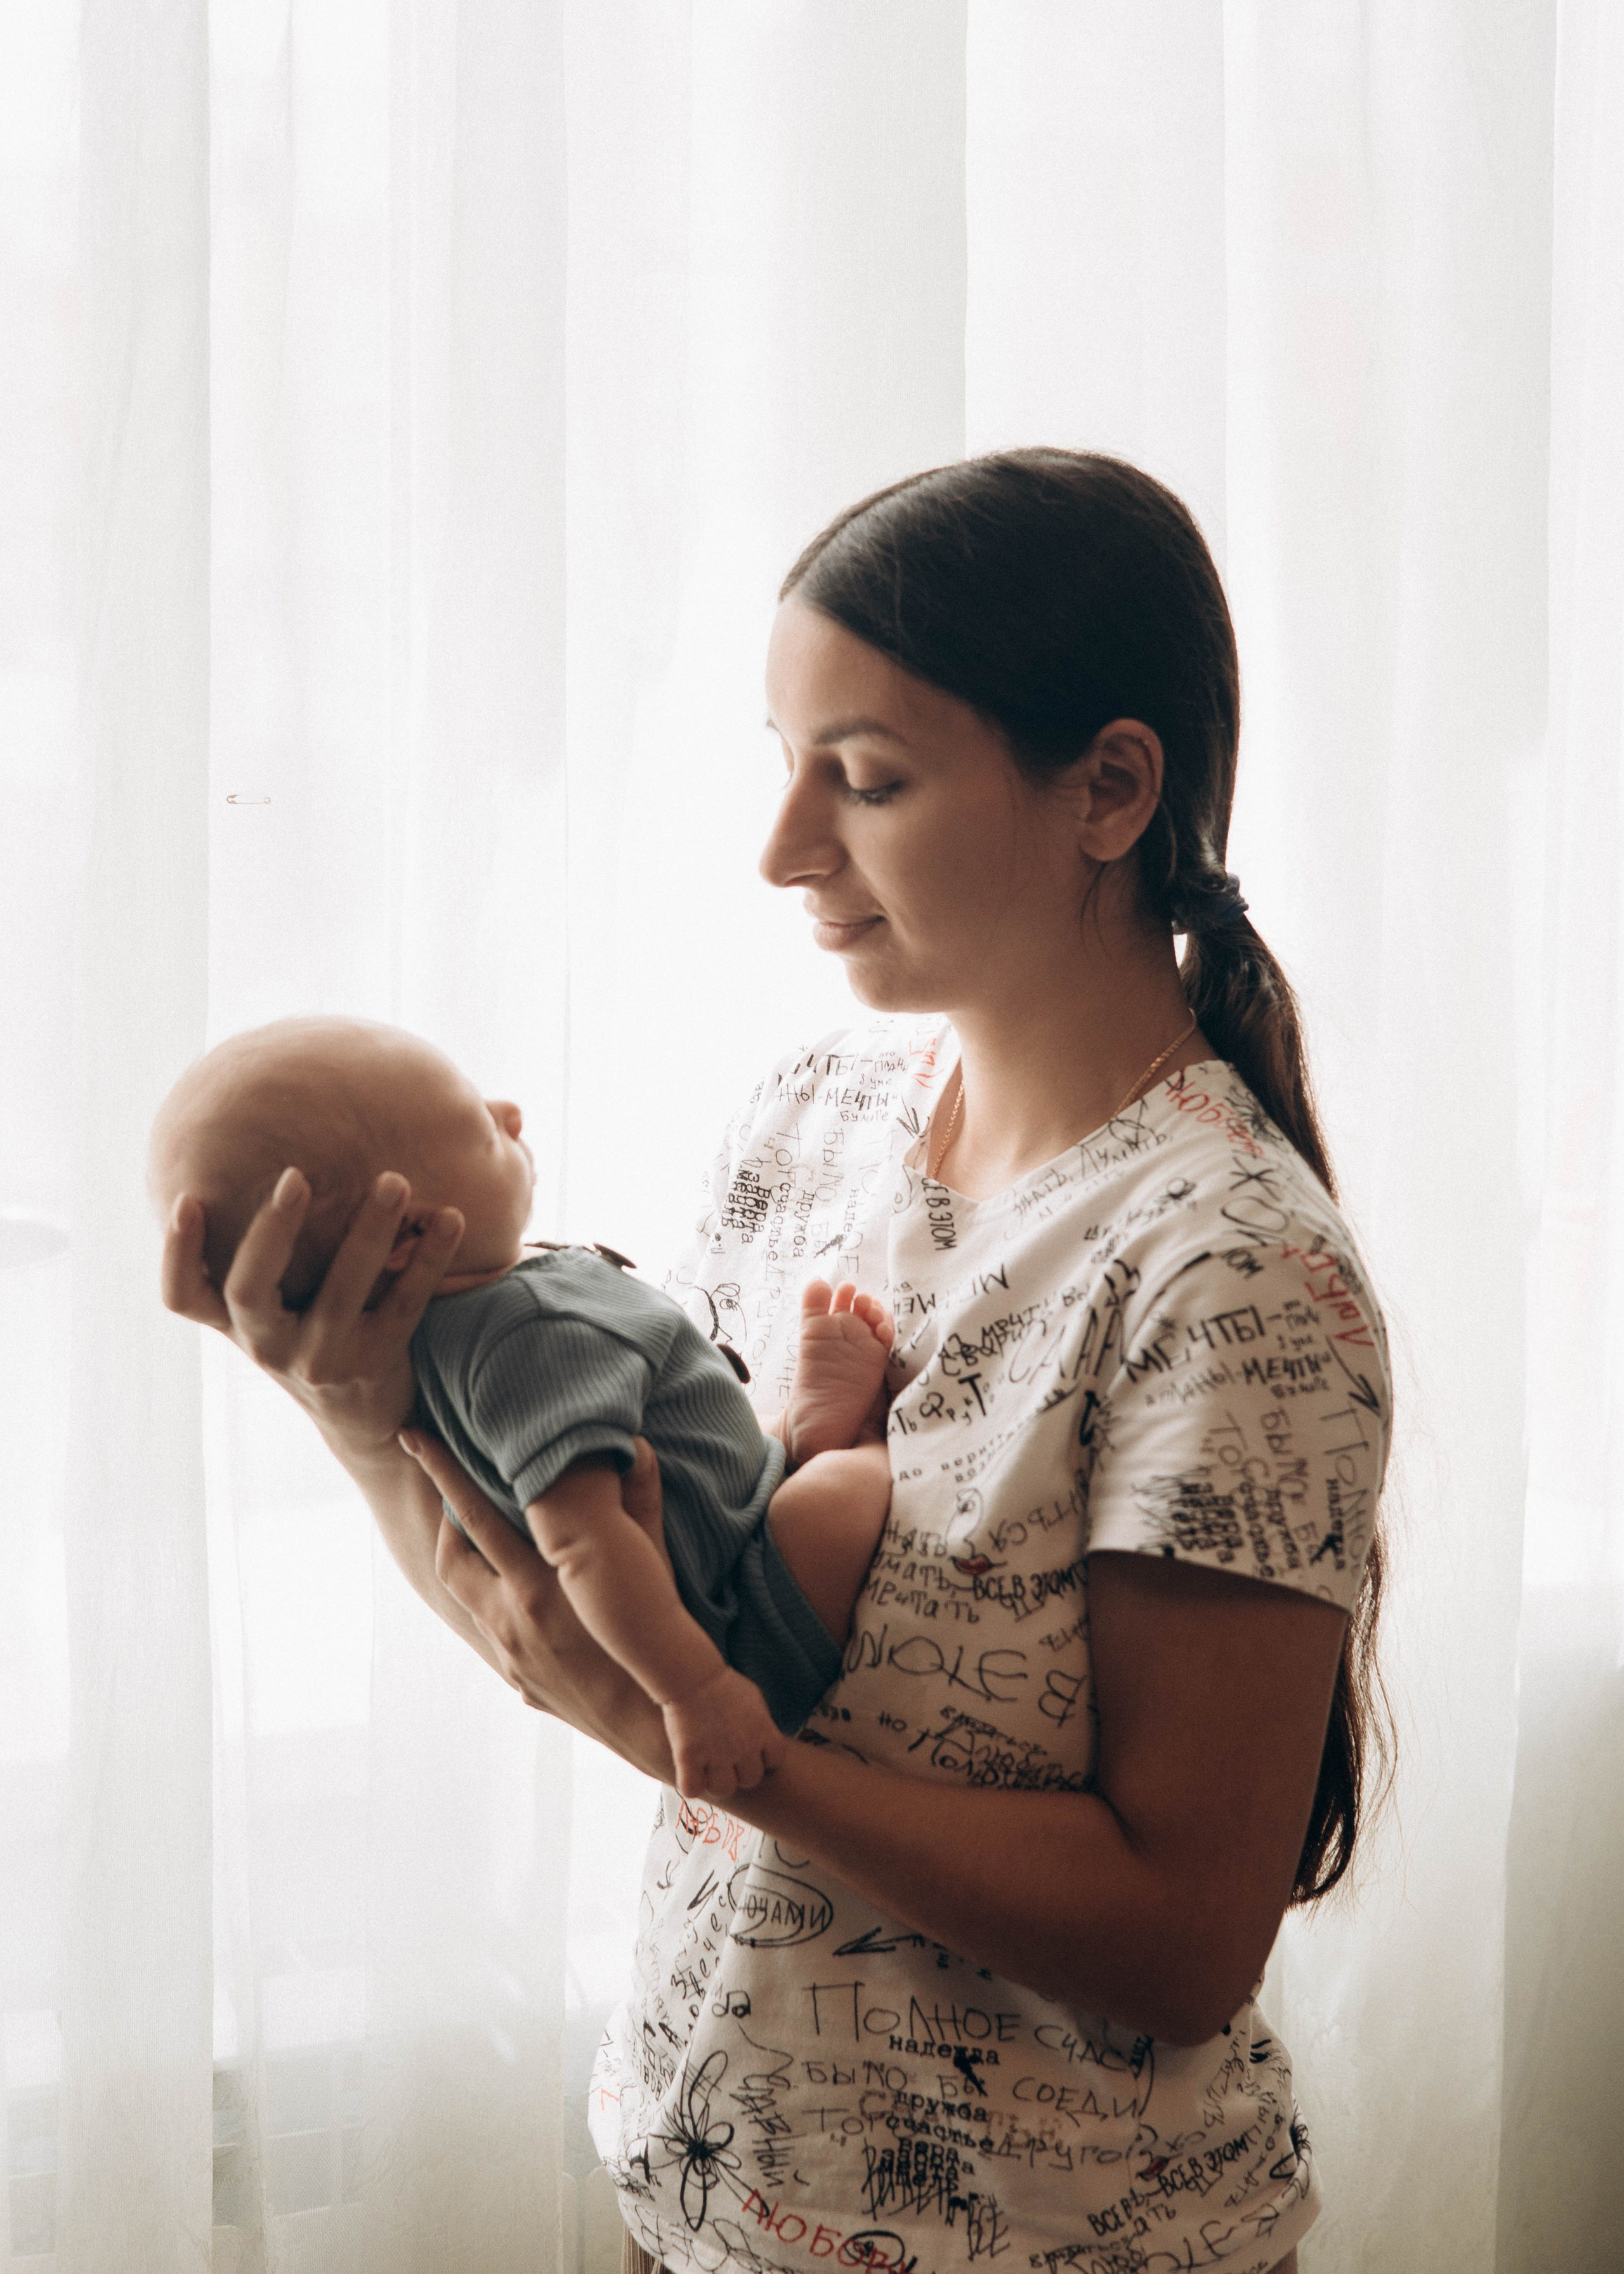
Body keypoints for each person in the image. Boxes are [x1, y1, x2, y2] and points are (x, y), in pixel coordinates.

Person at [161, 449, 1391, 2274]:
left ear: (1110, 789)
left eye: (866, 779)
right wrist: (355, 1410)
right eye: (785, 762)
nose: (783, 849)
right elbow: (580, 1612)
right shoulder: (810, 1121)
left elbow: (1183, 1942)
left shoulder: (1228, 1268)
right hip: (701, 2194)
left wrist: (721, 1760)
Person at [147, 1015, 896, 1798]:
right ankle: (832, 1451)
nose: (510, 1114)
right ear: (408, 1235)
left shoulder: (469, 1318)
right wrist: (696, 1691)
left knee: (696, 1421)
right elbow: (581, 1540)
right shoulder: (527, 1337)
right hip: (741, 1617)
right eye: (480, 1127)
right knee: (842, 1496)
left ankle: (791, 1438)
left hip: (719, 1522)